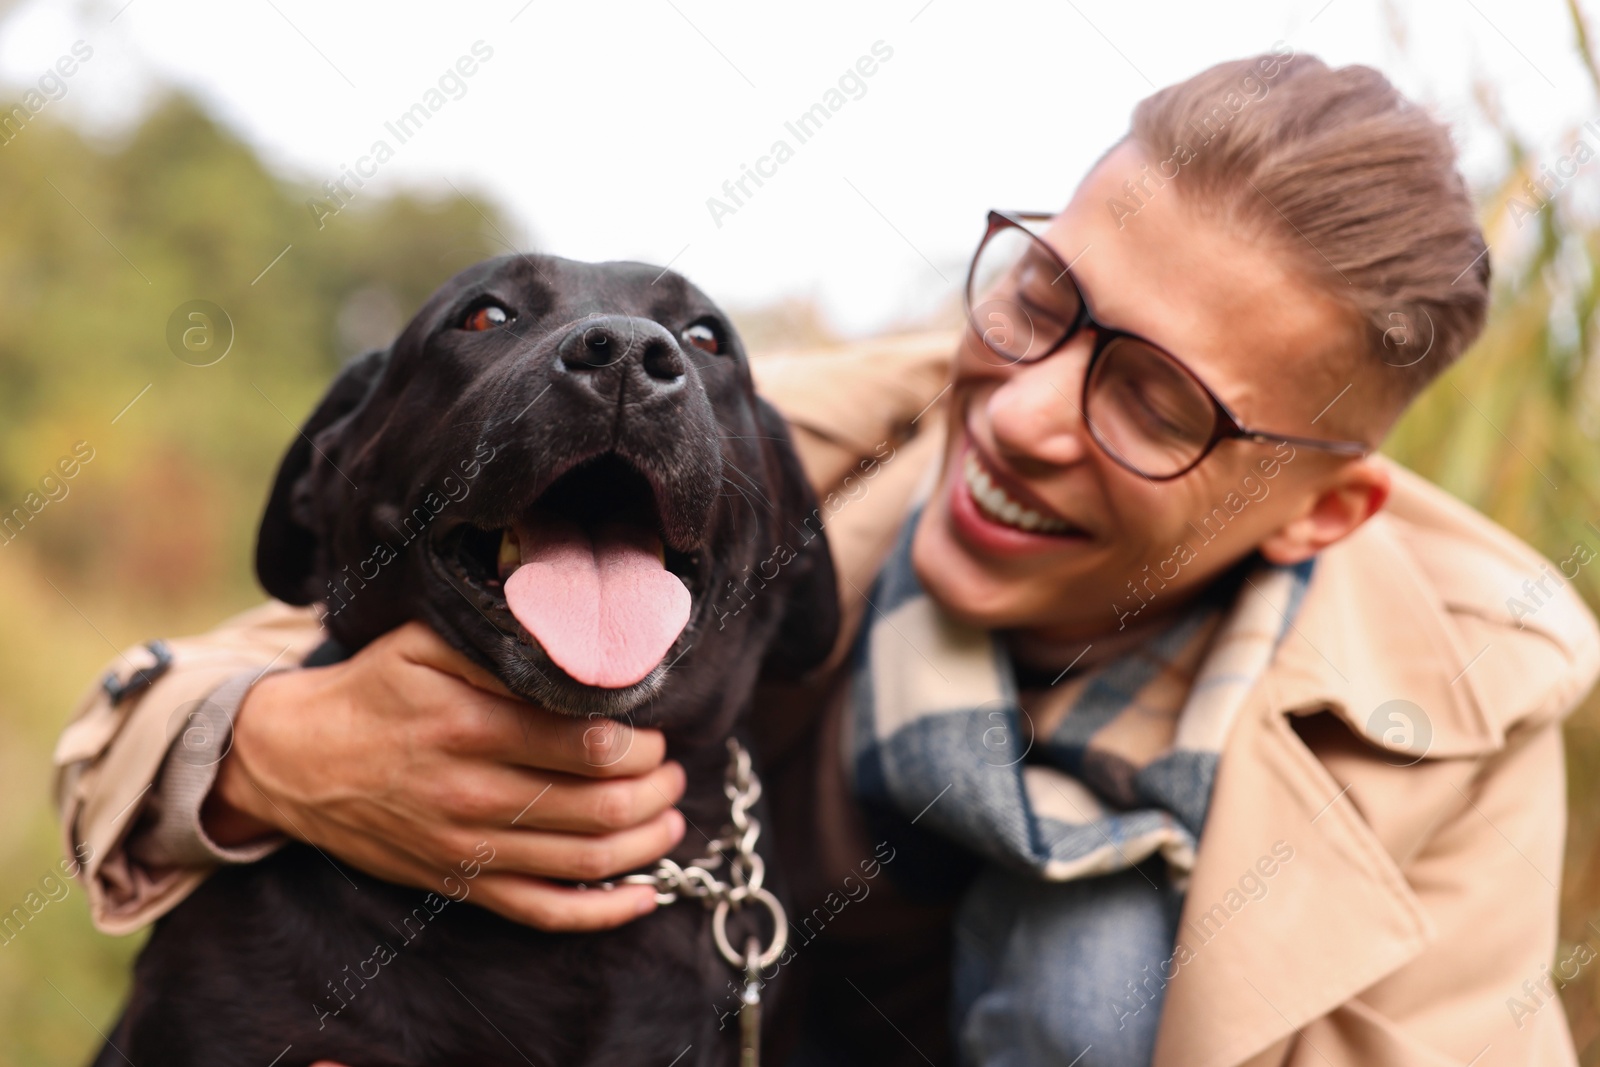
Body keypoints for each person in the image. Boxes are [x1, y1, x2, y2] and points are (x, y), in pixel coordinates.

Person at [58, 52, 1599, 1067]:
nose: (1023, 416)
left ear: (1321, 513)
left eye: (1156, 403)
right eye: (1046, 296)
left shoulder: (1454, 732)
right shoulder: (751, 434)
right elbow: (199, 680)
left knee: (1102, 951)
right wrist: (276, 748)